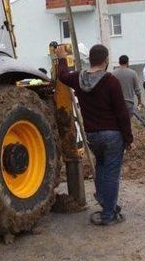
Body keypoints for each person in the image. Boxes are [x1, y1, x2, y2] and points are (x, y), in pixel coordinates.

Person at [56, 44, 133, 226]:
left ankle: (107, 204)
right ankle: (108, 214)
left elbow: (63, 76)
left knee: (101, 168)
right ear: (105, 60)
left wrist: (61, 58)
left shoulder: (79, 78)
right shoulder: (111, 81)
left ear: (90, 59)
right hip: (113, 135)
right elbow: (121, 113)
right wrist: (128, 138)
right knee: (112, 174)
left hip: (93, 136)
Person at [112, 55, 145, 126]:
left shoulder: (113, 73)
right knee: (127, 124)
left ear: (119, 62)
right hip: (128, 104)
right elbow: (137, 90)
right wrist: (139, 101)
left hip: (116, 103)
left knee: (118, 124)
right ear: (127, 62)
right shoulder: (133, 73)